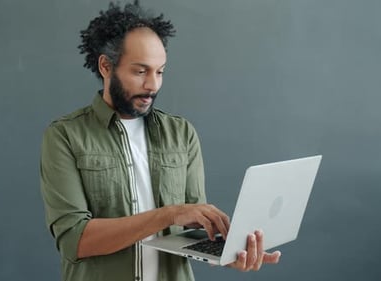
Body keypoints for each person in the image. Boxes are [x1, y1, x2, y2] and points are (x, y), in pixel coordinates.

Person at [40, 1, 281, 280]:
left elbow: (194, 229)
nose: (153, 85)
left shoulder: (182, 134)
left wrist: (230, 253)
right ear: (106, 66)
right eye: (140, 71)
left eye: (160, 71)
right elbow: (75, 240)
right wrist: (169, 214)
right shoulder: (64, 136)